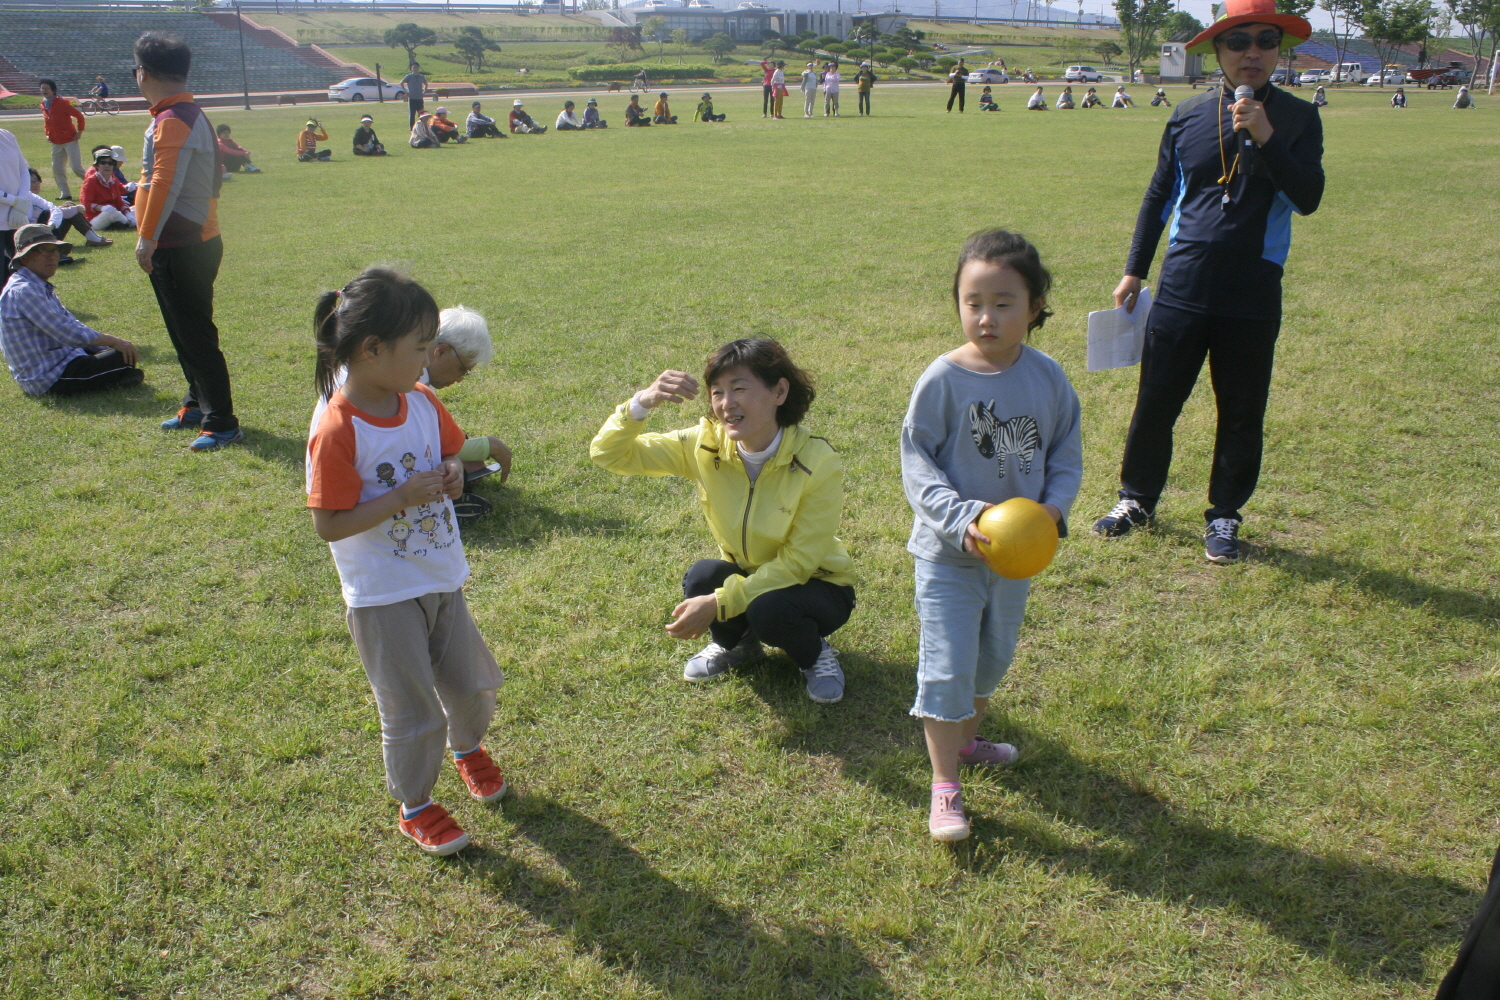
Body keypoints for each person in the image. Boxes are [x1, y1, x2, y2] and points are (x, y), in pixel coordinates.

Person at [1093, 0, 1323, 564]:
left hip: (1253, 289)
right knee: (1156, 399)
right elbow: (1159, 194)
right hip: (1183, 284)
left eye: (1266, 40)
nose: (1253, 53)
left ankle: (1224, 514)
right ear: (1218, 50)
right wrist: (1134, 269)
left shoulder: (1298, 118)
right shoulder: (1188, 115)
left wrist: (1266, 136)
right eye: (1238, 41)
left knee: (1242, 409)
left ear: (1279, 50)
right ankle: (1137, 499)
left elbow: (1308, 197)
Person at [305, 267, 509, 858]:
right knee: (412, 706)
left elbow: (451, 453)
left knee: (472, 683)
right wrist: (399, 498)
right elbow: (328, 523)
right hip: (383, 593)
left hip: (440, 574)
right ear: (372, 350)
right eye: (419, 348)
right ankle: (415, 804)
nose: (427, 360)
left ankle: (467, 746)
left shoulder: (420, 401)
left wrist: (454, 472)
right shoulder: (337, 427)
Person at [901, 229, 1081, 842]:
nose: (987, 317)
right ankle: (944, 786)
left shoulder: (1048, 378)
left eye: (1004, 303)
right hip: (949, 557)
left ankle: (966, 741)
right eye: (973, 302)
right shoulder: (942, 379)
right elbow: (918, 465)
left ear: (1034, 307)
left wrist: (1052, 511)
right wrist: (962, 519)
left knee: (993, 658)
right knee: (947, 665)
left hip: (1015, 559)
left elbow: (1065, 453)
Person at [589, 338, 856, 704]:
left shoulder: (816, 460)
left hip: (818, 584)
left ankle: (813, 655)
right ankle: (740, 646)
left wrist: (719, 603)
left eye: (739, 388)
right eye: (717, 392)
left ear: (779, 392)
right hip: (748, 574)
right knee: (703, 576)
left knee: (770, 610)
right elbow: (608, 454)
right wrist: (641, 403)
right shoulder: (704, 444)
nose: (726, 403)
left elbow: (799, 562)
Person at [134, 31, 242, 451]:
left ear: (143, 73)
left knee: (195, 335)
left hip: (183, 244)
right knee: (182, 331)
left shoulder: (174, 118)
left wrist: (147, 238)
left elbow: (165, 181)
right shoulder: (179, 113)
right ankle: (197, 403)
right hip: (182, 242)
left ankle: (222, 422)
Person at [0, 223, 142, 396]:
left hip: (61, 361)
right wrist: (113, 341)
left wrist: (105, 346)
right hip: (48, 376)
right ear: (24, 258)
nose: (53, 256)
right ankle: (118, 375)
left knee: (121, 354)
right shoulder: (25, 291)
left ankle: (118, 374)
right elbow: (68, 333)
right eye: (44, 250)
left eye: (55, 250)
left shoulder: (36, 285)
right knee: (121, 358)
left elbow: (71, 323)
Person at [424, 305, 513, 489]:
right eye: (462, 369)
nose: (460, 379)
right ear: (441, 351)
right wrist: (488, 446)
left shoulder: (418, 376)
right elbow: (426, 445)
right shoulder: (410, 385)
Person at [24, 167, 111, 253]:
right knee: (68, 209)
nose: (34, 184)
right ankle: (92, 237)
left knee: (68, 205)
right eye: (30, 182)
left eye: (35, 181)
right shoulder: (27, 199)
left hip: (50, 231)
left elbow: (54, 210)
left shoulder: (36, 199)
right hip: (39, 237)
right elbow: (46, 214)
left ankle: (92, 237)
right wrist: (75, 209)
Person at [38, 80, 86, 201]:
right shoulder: (43, 104)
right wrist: (47, 134)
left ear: (53, 90)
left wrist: (79, 131)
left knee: (76, 168)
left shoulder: (61, 102)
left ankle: (96, 184)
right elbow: (47, 122)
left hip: (69, 139)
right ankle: (65, 194)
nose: (44, 90)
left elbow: (79, 116)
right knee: (57, 168)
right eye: (42, 88)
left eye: (46, 88)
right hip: (56, 142)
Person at [80, 147, 135, 231]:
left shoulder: (113, 180)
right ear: (97, 165)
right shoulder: (91, 180)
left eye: (110, 163)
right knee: (111, 212)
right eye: (103, 163)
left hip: (114, 213)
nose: (107, 165)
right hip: (93, 220)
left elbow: (118, 201)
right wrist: (101, 207)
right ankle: (129, 223)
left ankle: (127, 221)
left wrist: (127, 213)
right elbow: (85, 204)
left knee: (136, 208)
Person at [0, 128, 29, 275]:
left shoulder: (7, 135)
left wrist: (20, 202)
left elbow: (23, 169)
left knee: (22, 271)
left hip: (16, 217)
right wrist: (14, 201)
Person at [401, 62, 427, 128]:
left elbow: (426, 84)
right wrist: (406, 92)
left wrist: (424, 91)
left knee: (421, 113)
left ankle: (422, 127)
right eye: (413, 67)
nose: (415, 68)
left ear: (419, 68)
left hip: (419, 98)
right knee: (412, 114)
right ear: (411, 68)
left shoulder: (421, 77)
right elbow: (401, 83)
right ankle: (412, 128)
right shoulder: (409, 76)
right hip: (412, 98)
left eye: (416, 67)